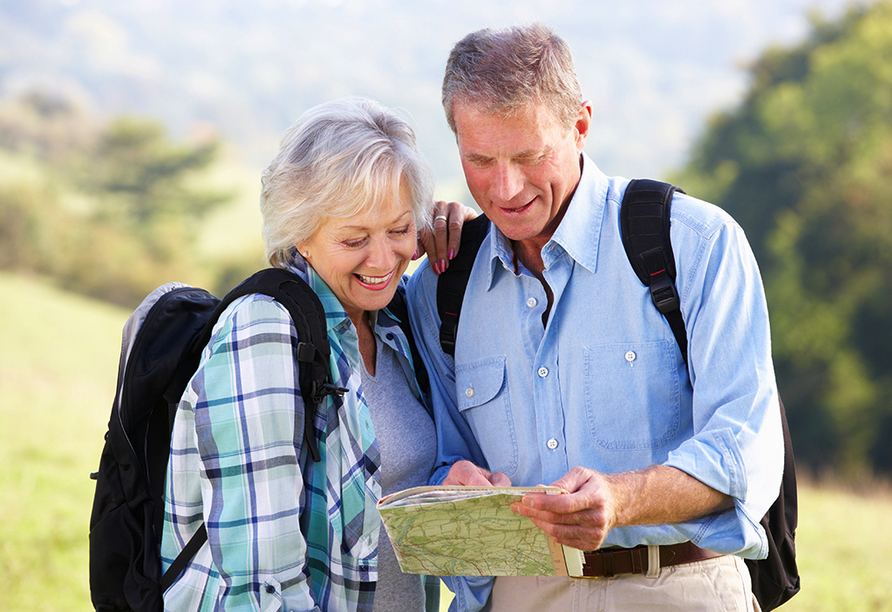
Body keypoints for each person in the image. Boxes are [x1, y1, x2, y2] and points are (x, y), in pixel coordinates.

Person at [407, 24, 784, 612]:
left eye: (528, 156)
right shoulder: (439, 287)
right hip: (517, 593)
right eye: (479, 160)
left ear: (580, 125)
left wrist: (623, 498)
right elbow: (435, 457)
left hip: (680, 587)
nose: (505, 189)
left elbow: (746, 451)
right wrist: (450, 482)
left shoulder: (695, 244)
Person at [160, 97, 472, 612]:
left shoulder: (393, 323)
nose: (381, 259)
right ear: (301, 234)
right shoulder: (263, 334)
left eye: (398, 230)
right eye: (354, 239)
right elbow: (262, 587)